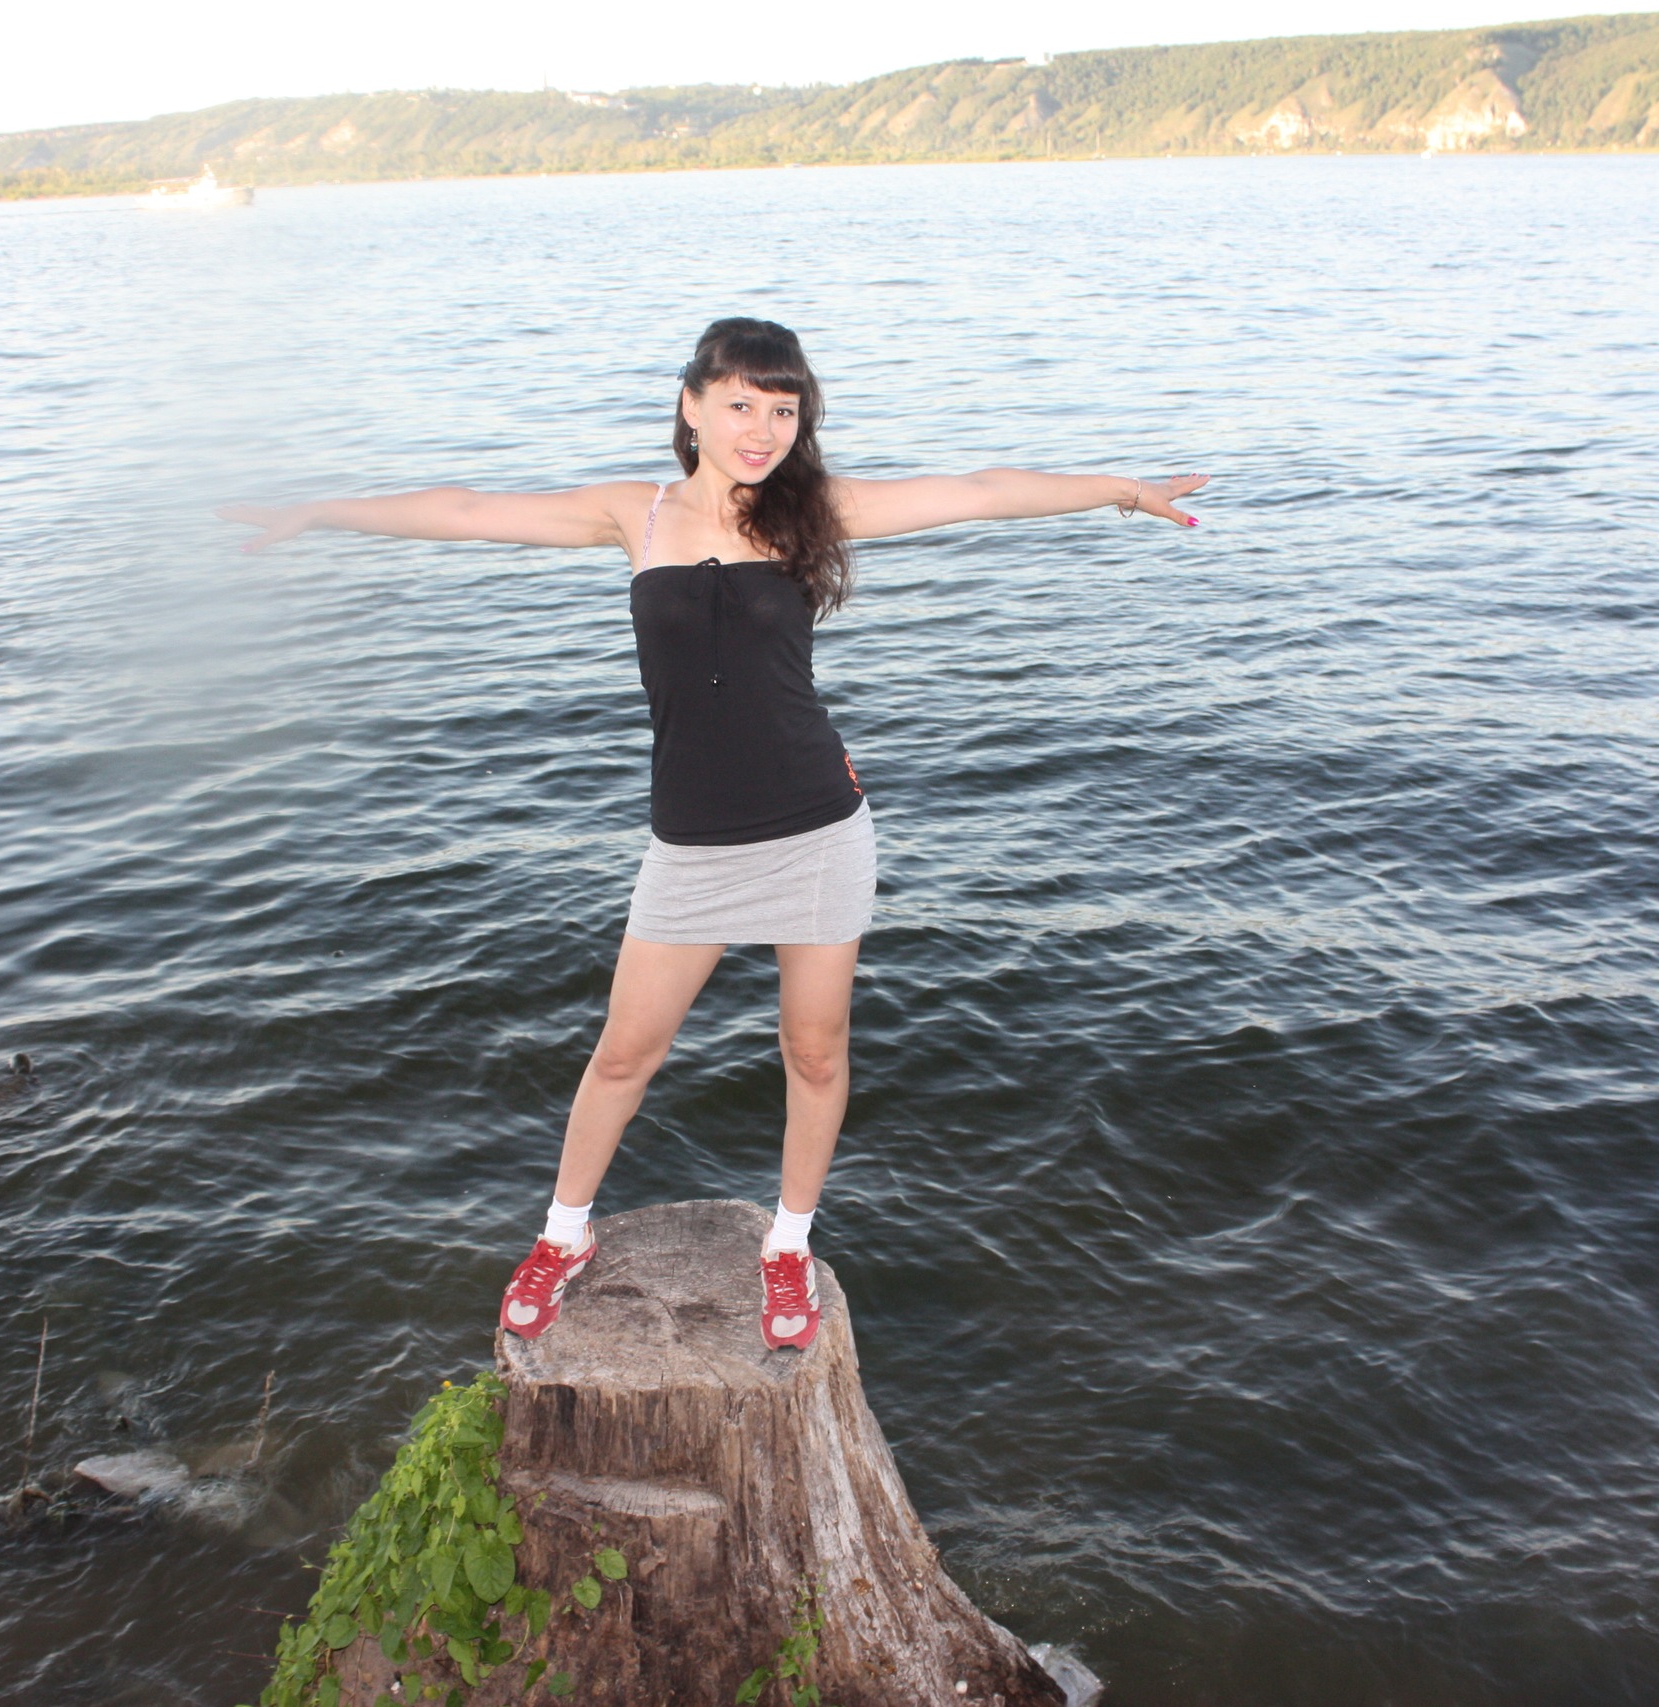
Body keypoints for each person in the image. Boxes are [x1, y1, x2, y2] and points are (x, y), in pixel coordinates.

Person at [220, 317, 1205, 1352]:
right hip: (691, 843)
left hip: (818, 829)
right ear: (691, 405)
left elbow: (982, 489)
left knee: (814, 1053)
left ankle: (788, 1243)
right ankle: (563, 1234)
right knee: (623, 1055)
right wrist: (319, 510)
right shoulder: (635, 514)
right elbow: (465, 510)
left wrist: (1122, 488)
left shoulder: (814, 510)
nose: (762, 429)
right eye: (741, 404)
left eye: (783, 409)